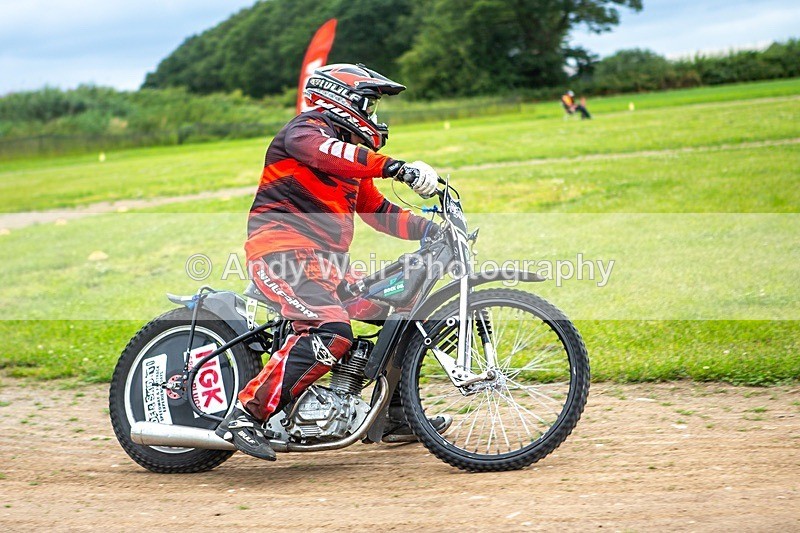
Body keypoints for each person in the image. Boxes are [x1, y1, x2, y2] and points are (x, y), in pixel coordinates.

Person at [215, 63, 448, 460]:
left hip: (327, 266)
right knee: (331, 330)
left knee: (401, 311)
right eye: (369, 104)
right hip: (281, 253)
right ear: (342, 100)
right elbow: (332, 154)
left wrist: (430, 229)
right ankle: (244, 415)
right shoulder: (305, 132)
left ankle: (395, 414)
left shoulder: (349, 162)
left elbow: (377, 210)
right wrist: (395, 167)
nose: (374, 115)